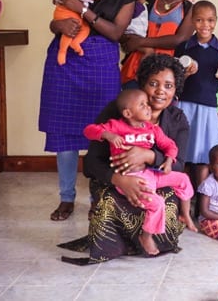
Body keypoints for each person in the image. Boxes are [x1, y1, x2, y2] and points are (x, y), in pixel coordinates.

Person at [58, 54, 190, 263]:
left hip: (154, 182)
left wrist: (149, 155)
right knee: (109, 201)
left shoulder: (177, 119)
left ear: (175, 90)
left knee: (166, 202)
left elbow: (179, 165)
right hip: (115, 180)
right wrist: (120, 180)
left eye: (168, 86)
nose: (160, 91)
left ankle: (149, 238)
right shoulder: (118, 112)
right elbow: (91, 163)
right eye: (153, 83)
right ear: (142, 83)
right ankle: (112, 246)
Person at [40, 0, 135, 222]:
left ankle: (98, 197)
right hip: (65, 62)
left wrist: (82, 10)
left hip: (101, 65)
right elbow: (55, 18)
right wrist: (58, 23)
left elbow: (116, 33)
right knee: (64, 132)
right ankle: (66, 198)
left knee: (103, 132)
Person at [83, 88, 197, 256]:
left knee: (183, 179)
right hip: (131, 178)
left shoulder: (152, 129)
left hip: (150, 173)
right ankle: (146, 236)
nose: (148, 107)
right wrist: (108, 135)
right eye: (142, 105)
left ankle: (185, 214)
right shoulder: (116, 126)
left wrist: (168, 160)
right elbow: (89, 130)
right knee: (157, 204)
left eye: (147, 104)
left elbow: (170, 145)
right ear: (128, 113)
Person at [174, 0, 218, 191]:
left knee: (203, 156)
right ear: (192, 21)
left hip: (207, 108)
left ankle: (201, 200)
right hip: (184, 105)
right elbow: (174, 81)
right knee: (180, 152)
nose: (205, 25)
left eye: (210, 20)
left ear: (216, 21)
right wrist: (185, 74)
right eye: (199, 20)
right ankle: (178, 197)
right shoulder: (183, 48)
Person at [120, 0, 194, 87]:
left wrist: (141, 42)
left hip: (167, 74)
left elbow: (180, 39)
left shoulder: (189, 8)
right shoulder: (146, 1)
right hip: (136, 69)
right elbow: (124, 29)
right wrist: (130, 40)